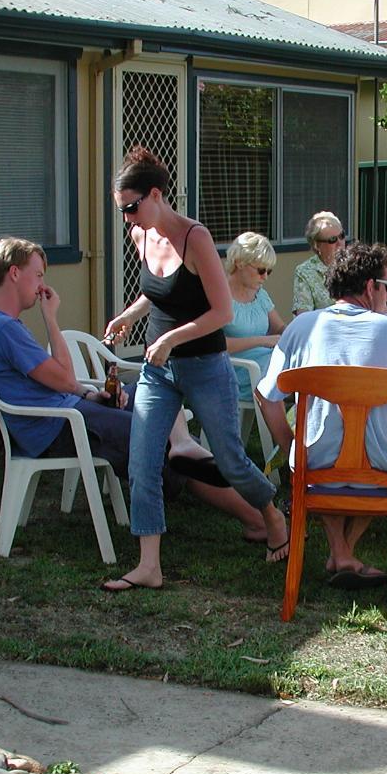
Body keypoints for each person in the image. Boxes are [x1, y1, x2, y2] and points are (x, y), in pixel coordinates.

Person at [0, 237, 275, 559]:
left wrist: (90, 394)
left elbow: (59, 383)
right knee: (156, 437)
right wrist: (51, 319)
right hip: (55, 426)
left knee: (148, 397)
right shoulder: (4, 330)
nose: (42, 284)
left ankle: (193, 455)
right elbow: (63, 378)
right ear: (15, 273)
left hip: (66, 412)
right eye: (39, 275)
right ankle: (254, 516)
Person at [105, 147, 289, 592]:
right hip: (159, 369)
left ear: (155, 194)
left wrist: (170, 338)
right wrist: (131, 315)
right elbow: (160, 290)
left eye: (131, 208)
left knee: (230, 458)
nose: (128, 219)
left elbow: (221, 310)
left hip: (205, 364)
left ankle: (272, 513)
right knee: (143, 461)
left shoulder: (195, 238)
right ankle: (149, 564)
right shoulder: (142, 236)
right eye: (122, 212)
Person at [257, 242, 387, 587]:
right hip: (382, 463)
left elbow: (267, 397)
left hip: (315, 462)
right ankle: (343, 554)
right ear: (370, 287)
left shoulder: (301, 328)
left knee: (326, 455)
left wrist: (291, 450)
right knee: (381, 455)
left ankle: (340, 553)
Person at [223, 231, 286, 400]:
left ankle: (301, 422)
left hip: (264, 364)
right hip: (236, 371)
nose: (265, 277)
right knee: (281, 375)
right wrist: (263, 340)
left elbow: (279, 327)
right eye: (261, 270)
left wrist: (297, 332)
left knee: (306, 368)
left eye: (269, 271)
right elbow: (216, 344)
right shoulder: (219, 295)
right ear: (239, 263)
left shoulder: (260, 294)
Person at [292, 211, 345, 315]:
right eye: (332, 239)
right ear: (317, 245)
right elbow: (303, 316)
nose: (340, 243)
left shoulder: (354, 265)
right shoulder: (305, 272)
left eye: (342, 236)